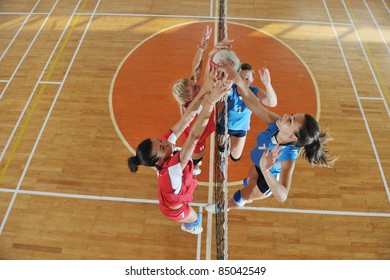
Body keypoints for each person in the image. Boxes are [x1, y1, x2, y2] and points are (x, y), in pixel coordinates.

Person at [206, 62, 336, 213]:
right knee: (248, 182)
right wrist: (238, 80)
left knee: (243, 194)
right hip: (258, 164)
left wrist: (267, 170)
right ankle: (244, 197)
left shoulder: (287, 156)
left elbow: (282, 196)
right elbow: (252, 101)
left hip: (267, 180)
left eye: (291, 120)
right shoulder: (276, 123)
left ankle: (224, 206)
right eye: (292, 115)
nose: (286, 116)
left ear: (293, 136)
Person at [128, 64, 232, 234]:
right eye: (162, 146)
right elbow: (193, 137)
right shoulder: (173, 168)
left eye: (158, 140)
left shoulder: (164, 147)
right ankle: (190, 226)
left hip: (175, 189)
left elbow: (187, 118)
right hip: (174, 207)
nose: (166, 142)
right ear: (160, 160)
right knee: (196, 219)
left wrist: (205, 89)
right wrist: (209, 102)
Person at [171, 26, 215, 176]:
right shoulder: (197, 105)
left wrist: (202, 49)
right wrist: (211, 56)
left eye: (195, 85)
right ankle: (194, 167)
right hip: (197, 139)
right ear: (189, 98)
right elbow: (209, 81)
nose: (198, 85)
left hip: (204, 126)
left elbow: (195, 70)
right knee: (196, 158)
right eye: (195, 87)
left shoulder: (190, 95)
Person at [217, 63, 278, 162]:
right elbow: (225, 90)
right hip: (224, 126)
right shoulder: (231, 90)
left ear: (252, 80)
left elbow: (272, 103)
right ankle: (225, 141)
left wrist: (268, 84)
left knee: (235, 158)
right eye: (241, 78)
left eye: (247, 79)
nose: (244, 82)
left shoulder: (254, 92)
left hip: (240, 129)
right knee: (220, 151)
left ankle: (228, 145)